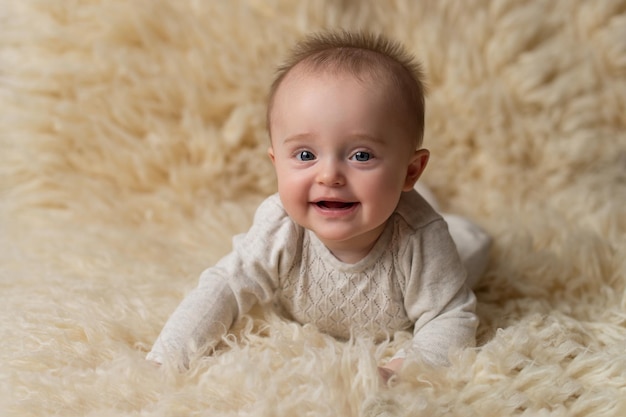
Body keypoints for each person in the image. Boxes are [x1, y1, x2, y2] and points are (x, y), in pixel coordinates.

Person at [147, 30, 491, 381]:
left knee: (468, 246)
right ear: (276, 163)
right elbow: (225, 286)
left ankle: (449, 217)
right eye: (306, 154)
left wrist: (400, 372)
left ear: (411, 170)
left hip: (446, 243)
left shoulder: (423, 239)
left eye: (361, 155)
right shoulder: (281, 225)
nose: (329, 175)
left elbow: (450, 317)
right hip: (388, 201)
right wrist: (167, 358)